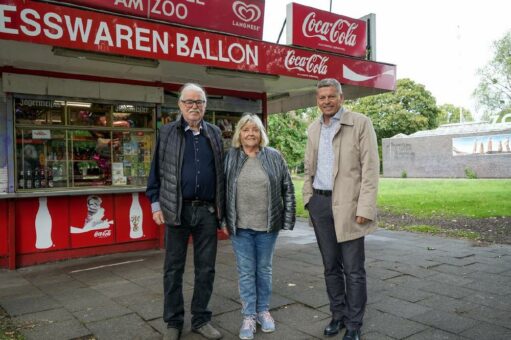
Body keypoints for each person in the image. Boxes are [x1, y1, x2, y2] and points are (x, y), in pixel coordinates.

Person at [146, 83, 225, 340]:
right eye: (189, 102)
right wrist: (155, 203)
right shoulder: (167, 132)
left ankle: (201, 319)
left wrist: (222, 212)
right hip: (176, 210)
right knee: (173, 269)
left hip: (206, 212)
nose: (194, 106)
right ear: (180, 105)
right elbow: (155, 170)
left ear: (205, 105)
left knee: (206, 269)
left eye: (199, 102)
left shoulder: (214, 133)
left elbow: (221, 175)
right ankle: (173, 321)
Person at [303, 78, 379, 340]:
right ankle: (338, 315)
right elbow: (308, 168)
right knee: (330, 267)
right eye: (322, 97)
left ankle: (354, 323)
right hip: (321, 204)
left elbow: (370, 168)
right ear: (317, 100)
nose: (326, 101)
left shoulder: (359, 123)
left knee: (353, 269)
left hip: (349, 205)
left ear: (341, 98)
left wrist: (365, 206)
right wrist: (308, 199)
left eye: (331, 96)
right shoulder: (313, 128)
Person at [222, 114, 295, 340]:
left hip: (267, 226)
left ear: (261, 133)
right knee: (246, 272)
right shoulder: (230, 157)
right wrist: (224, 220)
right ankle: (248, 316)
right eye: (245, 130)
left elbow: (287, 188)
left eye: (255, 129)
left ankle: (263, 311)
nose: (250, 134)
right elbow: (221, 191)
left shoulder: (273, 156)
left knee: (263, 270)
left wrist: (288, 219)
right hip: (241, 226)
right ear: (239, 134)